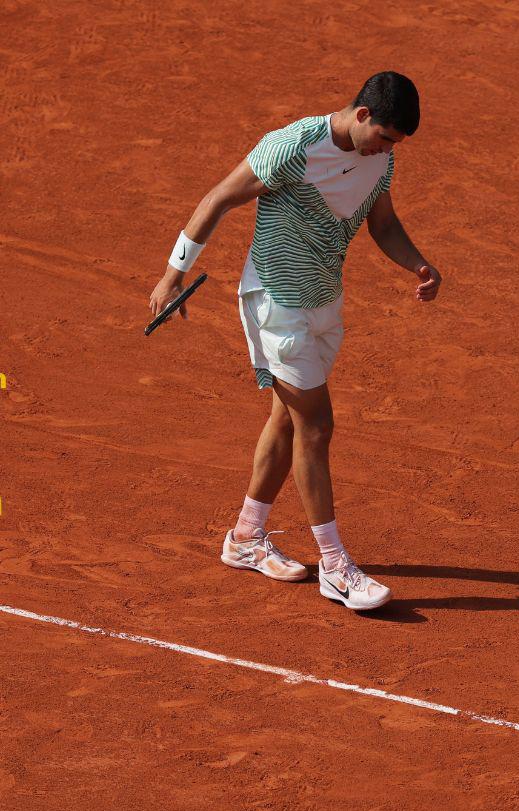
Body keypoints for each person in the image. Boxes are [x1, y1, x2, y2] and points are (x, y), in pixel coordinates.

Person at [147, 71, 441, 611]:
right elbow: (219, 197)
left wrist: (417, 262)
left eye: (395, 143)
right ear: (361, 115)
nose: (388, 149)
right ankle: (335, 566)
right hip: (277, 303)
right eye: (385, 137)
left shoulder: (380, 158)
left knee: (287, 418)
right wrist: (173, 276)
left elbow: (384, 223)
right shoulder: (292, 148)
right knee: (316, 425)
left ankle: (244, 538)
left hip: (324, 301)